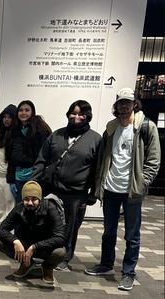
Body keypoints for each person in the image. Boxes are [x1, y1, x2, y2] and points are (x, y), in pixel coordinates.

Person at [84, 88, 161, 291]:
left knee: (132, 235)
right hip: (111, 188)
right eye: (121, 102)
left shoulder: (146, 126)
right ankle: (106, 264)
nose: (124, 106)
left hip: (132, 190)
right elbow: (103, 158)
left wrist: (143, 182)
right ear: (116, 105)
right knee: (108, 231)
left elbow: (154, 159)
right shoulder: (111, 128)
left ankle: (128, 272)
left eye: (128, 102)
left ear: (135, 103)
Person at [32, 100, 101, 271]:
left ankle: (64, 257)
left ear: (87, 117)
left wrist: (94, 193)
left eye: (81, 114)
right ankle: (45, 253)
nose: (76, 117)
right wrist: (35, 182)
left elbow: (98, 168)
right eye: (73, 113)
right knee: (47, 223)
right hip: (51, 189)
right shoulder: (57, 135)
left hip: (76, 193)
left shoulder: (95, 139)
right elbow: (41, 159)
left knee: (69, 227)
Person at [0, 181, 66, 284]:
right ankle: (27, 263)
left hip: (46, 246)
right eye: (26, 199)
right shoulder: (19, 208)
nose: (30, 203)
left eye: (34, 199)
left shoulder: (51, 208)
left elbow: (60, 238)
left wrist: (35, 247)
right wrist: (15, 241)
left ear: (40, 199)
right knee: (0, 244)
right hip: (25, 244)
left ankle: (47, 267)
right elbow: (0, 230)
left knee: (60, 252)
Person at [7, 100, 51, 203]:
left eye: (27, 110)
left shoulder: (40, 128)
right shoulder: (14, 130)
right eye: (21, 110)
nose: (23, 113)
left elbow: (45, 155)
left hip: (34, 176)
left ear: (32, 112)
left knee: (34, 206)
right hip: (18, 176)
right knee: (19, 206)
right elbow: (10, 157)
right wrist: (11, 180)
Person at [0, 104, 16, 246]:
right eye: (4, 117)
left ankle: (9, 237)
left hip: (10, 178)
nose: (6, 120)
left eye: (10, 117)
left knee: (10, 208)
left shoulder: (17, 134)